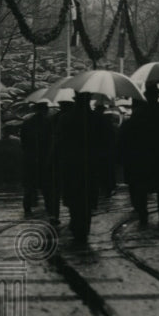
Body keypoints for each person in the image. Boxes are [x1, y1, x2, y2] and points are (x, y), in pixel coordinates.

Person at [118, 83, 159, 227]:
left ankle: (143, 213)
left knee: (141, 187)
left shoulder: (138, 114)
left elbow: (128, 134)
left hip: (141, 155)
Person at [53, 93, 94, 241]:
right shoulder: (95, 119)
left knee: (73, 197)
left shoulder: (65, 119)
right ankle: (84, 225)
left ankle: (76, 222)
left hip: (70, 164)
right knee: (87, 198)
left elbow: (57, 142)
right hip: (90, 165)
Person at [20, 101, 54, 218]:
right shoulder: (48, 123)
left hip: (30, 158)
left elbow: (23, 142)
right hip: (44, 158)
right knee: (47, 187)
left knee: (29, 186)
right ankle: (50, 209)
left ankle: (27, 208)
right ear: (45, 110)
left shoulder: (27, 123)